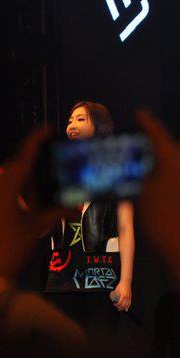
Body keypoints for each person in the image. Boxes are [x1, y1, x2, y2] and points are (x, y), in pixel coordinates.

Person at [43, 101, 135, 341]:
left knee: (100, 351)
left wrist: (125, 281)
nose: (72, 125)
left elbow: (125, 227)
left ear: (100, 125)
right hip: (62, 278)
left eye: (81, 119)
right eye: (70, 121)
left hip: (102, 276)